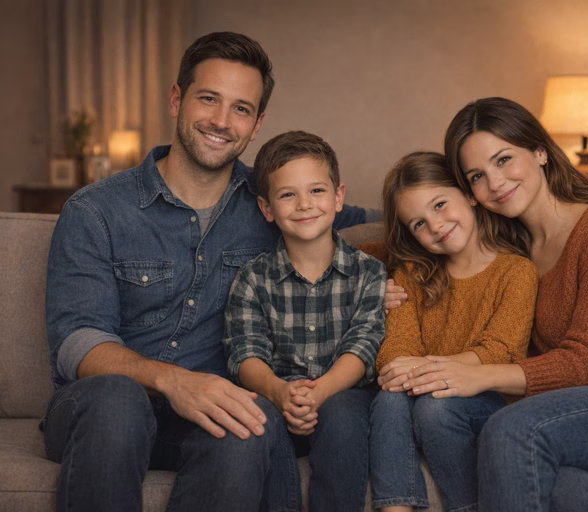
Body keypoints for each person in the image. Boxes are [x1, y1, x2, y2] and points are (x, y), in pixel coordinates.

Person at [43, 32, 373, 512]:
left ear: (257, 124)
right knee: (118, 400)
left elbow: (380, 225)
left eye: (241, 108)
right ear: (177, 99)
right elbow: (76, 342)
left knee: (248, 418)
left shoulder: (273, 201)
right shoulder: (95, 210)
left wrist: (389, 278)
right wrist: (173, 380)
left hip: (205, 418)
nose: (221, 121)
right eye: (208, 99)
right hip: (98, 413)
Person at [389, 97, 588, 511]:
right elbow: (400, 239)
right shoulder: (511, 244)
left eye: (504, 160)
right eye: (477, 176)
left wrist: (481, 375)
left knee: (511, 429)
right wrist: (362, 275)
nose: (496, 183)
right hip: (573, 416)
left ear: (539, 151)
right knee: (561, 487)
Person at [223, 130, 387, 511]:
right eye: (287, 195)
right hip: (277, 393)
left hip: (342, 395)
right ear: (266, 208)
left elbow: (363, 345)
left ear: (338, 196)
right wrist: (281, 393)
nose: (304, 205)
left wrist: (321, 391)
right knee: (257, 415)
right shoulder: (252, 277)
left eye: (316, 190)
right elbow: (245, 352)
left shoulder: (369, 273)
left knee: (344, 414)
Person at [369, 151, 537, 512]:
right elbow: (395, 352)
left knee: (435, 408)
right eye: (418, 223)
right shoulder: (412, 275)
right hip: (422, 391)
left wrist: (430, 370)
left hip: (492, 402)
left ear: (469, 195)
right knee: (388, 396)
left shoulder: (516, 272)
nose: (436, 225)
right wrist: (363, 285)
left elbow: (500, 350)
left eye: (440, 204)